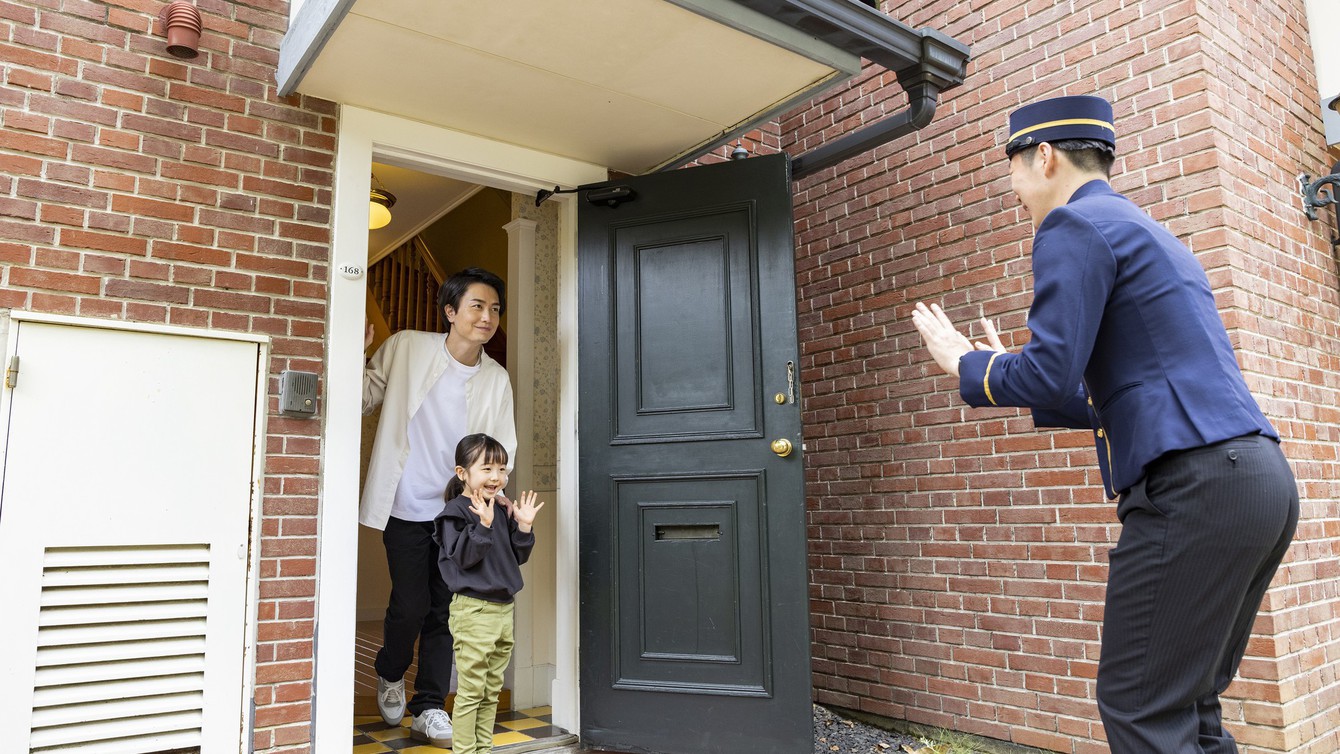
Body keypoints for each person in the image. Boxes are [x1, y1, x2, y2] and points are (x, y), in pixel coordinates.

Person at [910, 95, 1298, 753]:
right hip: (1255, 484)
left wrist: (968, 365)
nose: (1013, 191)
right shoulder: (1148, 232)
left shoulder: (1072, 226)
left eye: (1012, 169)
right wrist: (1017, 367)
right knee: (1188, 710)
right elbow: (1134, 389)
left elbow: (1052, 373)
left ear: (1044, 156)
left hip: (1194, 490)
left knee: (1139, 708)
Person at [361, 267, 518, 748]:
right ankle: (390, 669)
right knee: (410, 605)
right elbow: (363, 397)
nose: (487, 316)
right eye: (477, 306)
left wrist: (493, 501)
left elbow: (501, 446)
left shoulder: (495, 378)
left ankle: (428, 706)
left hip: (460, 514)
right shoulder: (406, 346)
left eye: (494, 309)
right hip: (406, 503)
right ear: (450, 312)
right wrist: (351, 354)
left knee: (448, 611)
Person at [434, 433, 544, 754]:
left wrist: (523, 526)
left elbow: (518, 556)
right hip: (473, 610)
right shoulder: (455, 513)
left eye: (502, 469)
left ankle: (484, 750)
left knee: (492, 689)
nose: (496, 477)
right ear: (462, 473)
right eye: (487, 469)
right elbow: (464, 558)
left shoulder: (501, 508)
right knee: (471, 691)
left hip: (503, 609)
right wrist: (482, 525)